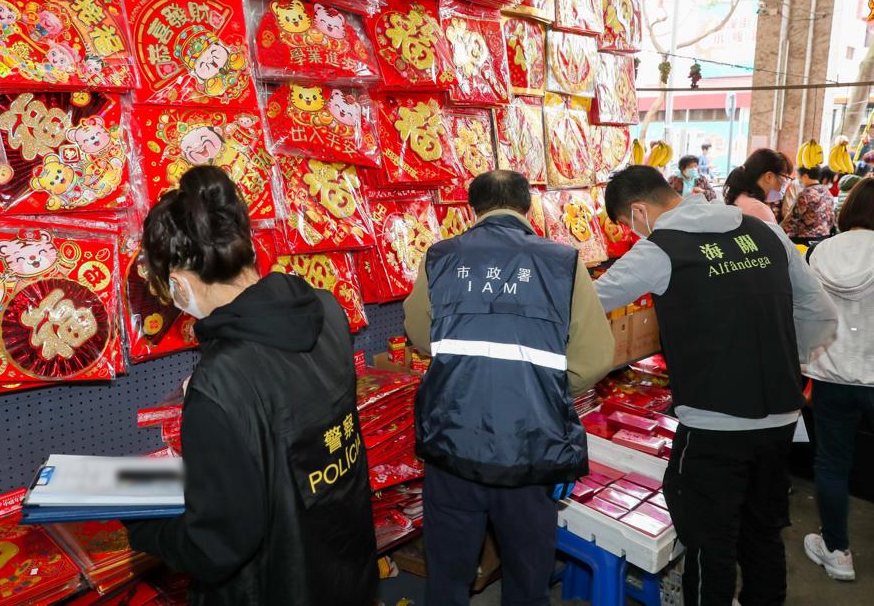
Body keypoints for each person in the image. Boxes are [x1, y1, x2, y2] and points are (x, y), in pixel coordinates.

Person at [125, 166, 378, 606]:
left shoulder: (220, 382)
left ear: (179, 282)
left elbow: (218, 544)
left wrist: (143, 525)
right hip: (343, 563)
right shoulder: (326, 308)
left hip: (275, 585)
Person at [594, 166, 837, 606]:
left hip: (714, 424)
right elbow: (819, 311)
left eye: (629, 225)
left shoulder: (659, 249)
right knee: (763, 532)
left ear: (638, 211)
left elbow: (590, 303)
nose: (635, 234)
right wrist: (779, 360)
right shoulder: (764, 232)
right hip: (781, 418)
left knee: (710, 543)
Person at [403, 170, 614, 606]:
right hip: (530, 448)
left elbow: (422, 335)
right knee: (527, 581)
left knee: (447, 579)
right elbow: (595, 357)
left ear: (472, 209)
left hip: (453, 443)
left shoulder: (441, 257)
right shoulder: (562, 261)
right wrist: (541, 385)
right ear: (527, 207)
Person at [802, 178, 874, 582]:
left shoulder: (820, 252)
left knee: (832, 464)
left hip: (832, 374)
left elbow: (806, 310)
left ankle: (836, 552)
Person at [723, 148, 793, 223]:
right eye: (785, 178)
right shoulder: (759, 210)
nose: (785, 184)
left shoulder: (739, 198)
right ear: (769, 177)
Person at [781, 165, 836, 241]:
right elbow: (831, 217)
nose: (798, 179)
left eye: (798, 176)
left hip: (804, 239)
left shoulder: (806, 194)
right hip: (824, 236)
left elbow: (792, 219)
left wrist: (779, 232)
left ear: (805, 176)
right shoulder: (827, 191)